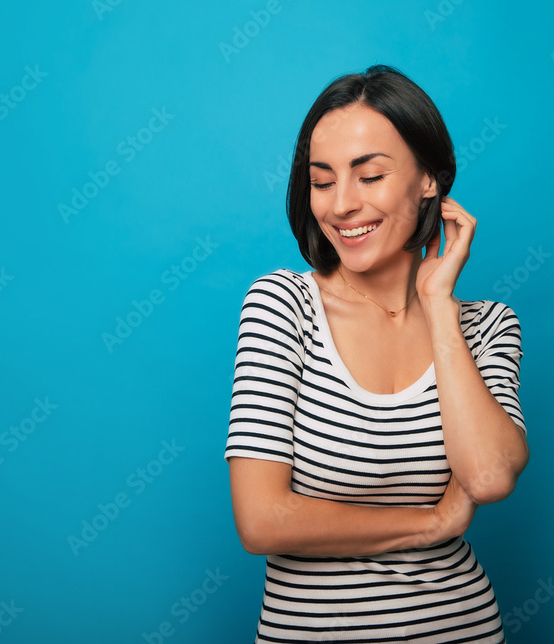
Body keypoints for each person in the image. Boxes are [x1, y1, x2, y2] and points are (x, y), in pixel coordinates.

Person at [225, 64, 529, 643]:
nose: (341, 204)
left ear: (429, 181)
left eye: (370, 176)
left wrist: (440, 307)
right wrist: (431, 524)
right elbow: (262, 521)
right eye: (322, 181)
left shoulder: (487, 326)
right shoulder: (283, 305)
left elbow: (488, 476)